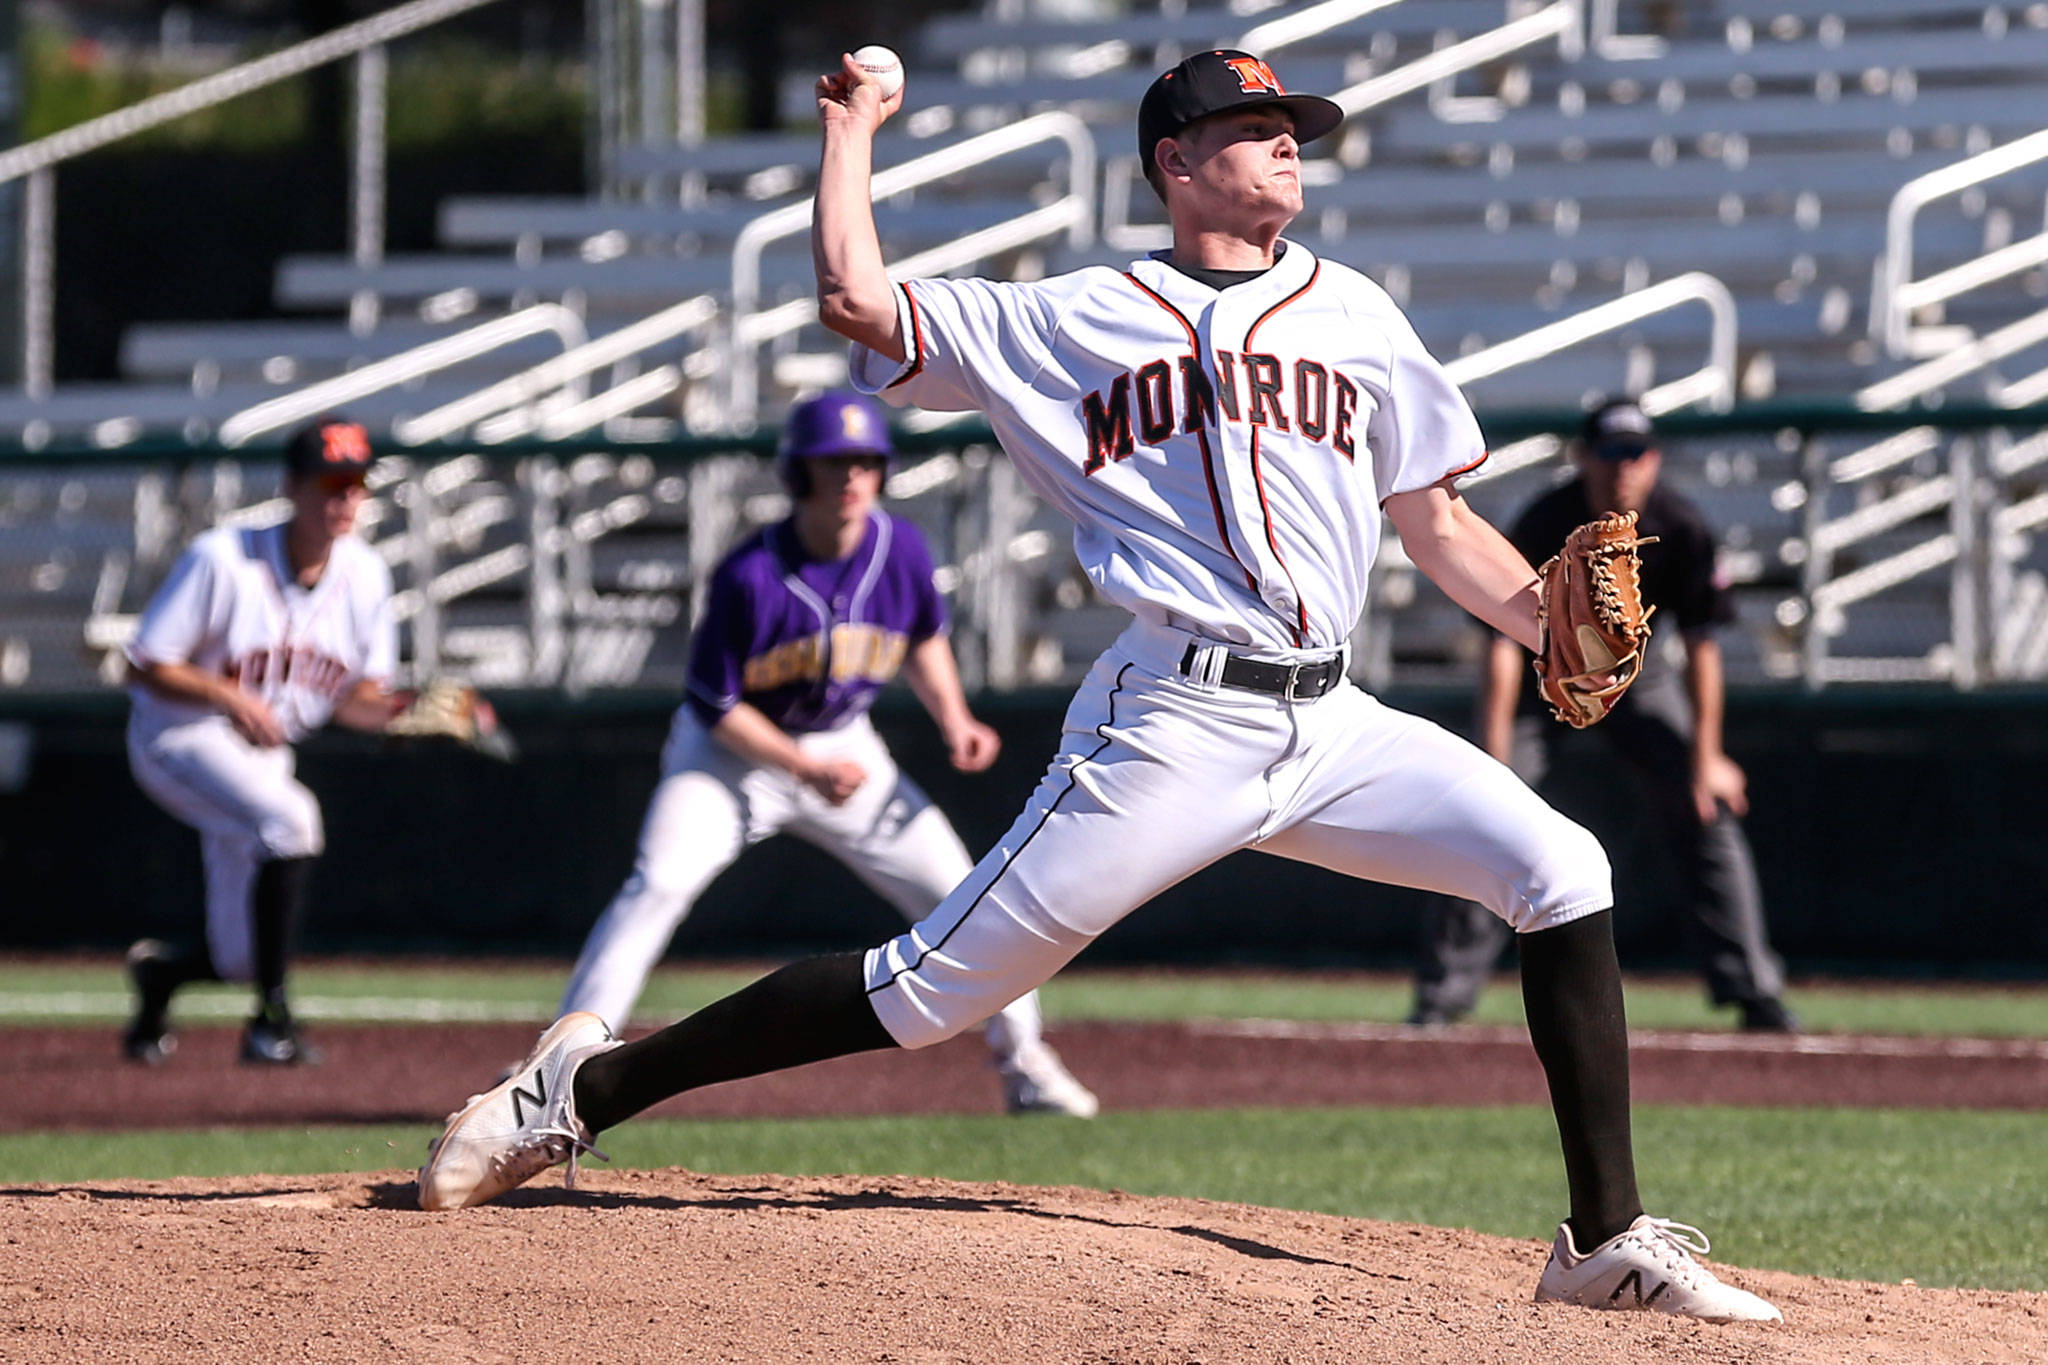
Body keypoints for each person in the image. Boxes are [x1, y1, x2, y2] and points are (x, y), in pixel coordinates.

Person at [418, 49, 1782, 1324]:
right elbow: (858, 303)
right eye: (1253, 132)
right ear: (1174, 163)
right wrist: (850, 134)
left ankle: (1603, 1246)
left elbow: (1430, 523)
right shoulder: (1076, 317)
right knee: (925, 993)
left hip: (1335, 722)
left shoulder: (1356, 311)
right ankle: (577, 1091)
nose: (1286, 149)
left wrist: (1539, 609)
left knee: (1562, 866)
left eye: (1291, 131)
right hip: (1174, 718)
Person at [553, 389, 1097, 1117]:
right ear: (798, 473)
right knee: (657, 884)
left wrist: (955, 716)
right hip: (730, 757)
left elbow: (923, 638)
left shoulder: (899, 547)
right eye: (833, 462)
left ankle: (1026, 1062)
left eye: (865, 461)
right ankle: (562, 1062)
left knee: (965, 892)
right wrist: (805, 769)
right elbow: (715, 705)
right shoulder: (750, 573)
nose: (850, 477)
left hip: (846, 744)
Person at [1407, 399, 1797, 1033]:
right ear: (1583, 458)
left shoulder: (1680, 523)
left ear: (1655, 459)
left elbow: (1703, 647)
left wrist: (1707, 758)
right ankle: (1440, 996)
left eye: (1636, 453)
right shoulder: (1548, 517)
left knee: (1705, 809)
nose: (1624, 467)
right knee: (1485, 815)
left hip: (1635, 676)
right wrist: (1496, 755)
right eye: (1611, 452)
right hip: (1543, 671)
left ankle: (1754, 986)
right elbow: (1501, 644)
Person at [121, 414, 400, 1066]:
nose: (345, 499)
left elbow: (356, 700)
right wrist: (227, 694)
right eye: (331, 483)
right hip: (177, 736)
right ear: (293, 487)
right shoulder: (223, 557)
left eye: (356, 483)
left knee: (240, 953)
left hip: (262, 755)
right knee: (293, 819)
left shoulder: (366, 574)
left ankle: (161, 974)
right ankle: (271, 1021)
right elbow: (144, 661)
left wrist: (407, 712)